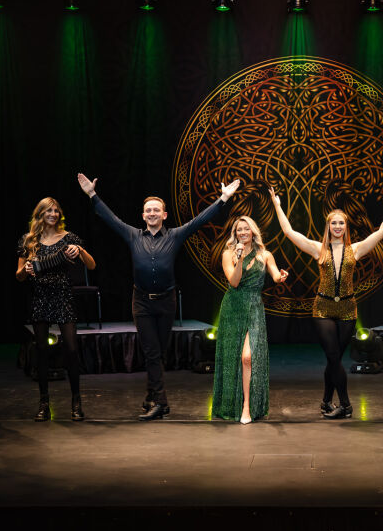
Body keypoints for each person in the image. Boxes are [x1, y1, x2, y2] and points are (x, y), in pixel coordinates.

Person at [78, 173, 239, 421]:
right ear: (143, 216)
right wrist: (92, 194)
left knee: (158, 352)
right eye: (148, 210)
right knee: (152, 352)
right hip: (141, 302)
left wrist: (223, 199)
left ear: (164, 215)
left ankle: (151, 396)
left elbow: (199, 220)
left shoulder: (175, 235)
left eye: (156, 210)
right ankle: (160, 403)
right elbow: (110, 219)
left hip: (166, 301)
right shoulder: (133, 235)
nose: (152, 213)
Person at [269, 185, 383, 419]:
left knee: (335, 360)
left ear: (346, 227)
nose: (338, 227)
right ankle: (346, 405)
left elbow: (382, 231)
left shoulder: (355, 249)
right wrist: (277, 205)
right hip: (323, 308)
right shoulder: (318, 249)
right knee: (332, 355)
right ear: (328, 226)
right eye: (334, 223)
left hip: (348, 308)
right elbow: (289, 231)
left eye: (341, 223)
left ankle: (325, 401)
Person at [16, 197, 96, 422]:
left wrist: (79, 250)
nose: (53, 214)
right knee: (41, 350)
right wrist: (26, 270)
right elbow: (19, 276)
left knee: (71, 349)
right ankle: (44, 403)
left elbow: (92, 265)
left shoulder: (69, 238)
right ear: (40, 214)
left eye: (56, 210)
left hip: (62, 296)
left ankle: (76, 401)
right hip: (40, 297)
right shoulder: (29, 240)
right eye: (48, 211)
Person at [212, 217, 288, 424]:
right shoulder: (228, 254)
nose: (243, 232)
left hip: (254, 307)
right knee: (232, 358)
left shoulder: (265, 254)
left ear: (253, 231)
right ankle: (231, 405)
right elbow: (234, 282)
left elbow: (275, 276)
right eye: (239, 230)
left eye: (246, 229)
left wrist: (281, 276)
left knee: (247, 357)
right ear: (235, 233)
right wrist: (238, 259)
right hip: (232, 308)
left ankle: (247, 406)